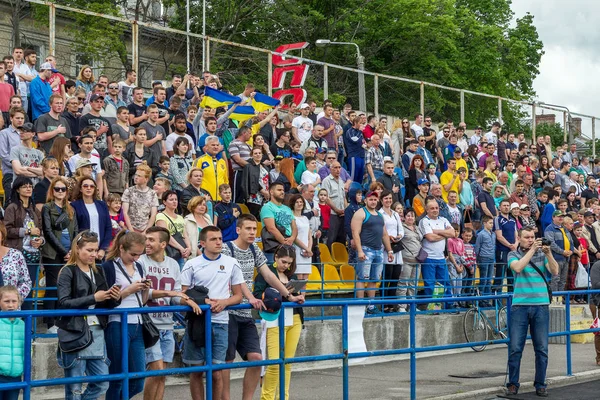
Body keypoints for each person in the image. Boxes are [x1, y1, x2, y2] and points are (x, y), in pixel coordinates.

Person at [220, 214, 303, 400]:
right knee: (227, 361)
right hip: (228, 311)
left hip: (245, 312)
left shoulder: (255, 250)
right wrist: (249, 297)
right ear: (238, 229)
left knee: (257, 359)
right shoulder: (226, 249)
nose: (252, 232)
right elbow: (235, 279)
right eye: (248, 229)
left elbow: (269, 275)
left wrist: (289, 295)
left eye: (254, 229)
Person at [56, 230, 121, 400]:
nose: (94, 254)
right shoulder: (67, 271)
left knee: (102, 382)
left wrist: (114, 297)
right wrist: (94, 297)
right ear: (77, 249)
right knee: (74, 388)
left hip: (97, 331)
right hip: (75, 332)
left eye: (95, 250)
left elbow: (106, 302)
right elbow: (63, 302)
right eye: (89, 250)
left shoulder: (98, 270)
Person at [181, 226, 244, 400]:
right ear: (202, 243)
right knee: (196, 371)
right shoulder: (191, 264)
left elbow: (238, 296)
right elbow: (182, 295)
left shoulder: (232, 263)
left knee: (217, 373)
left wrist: (224, 302)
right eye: (213, 239)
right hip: (197, 322)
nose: (218, 242)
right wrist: (203, 302)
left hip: (221, 323)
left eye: (220, 238)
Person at [140, 226, 200, 400]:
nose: (147, 243)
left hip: (167, 324)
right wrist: (169, 293)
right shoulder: (141, 262)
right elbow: (141, 294)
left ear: (163, 244)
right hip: (149, 324)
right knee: (156, 370)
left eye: (151, 239)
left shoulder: (173, 264)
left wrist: (187, 300)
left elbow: (175, 295)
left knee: (162, 374)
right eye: (146, 239)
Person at [505, 228, 559, 397]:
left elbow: (555, 271)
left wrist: (548, 253)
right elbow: (518, 268)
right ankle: (513, 384)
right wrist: (533, 250)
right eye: (526, 237)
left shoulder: (542, 254)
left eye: (532, 237)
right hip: (520, 306)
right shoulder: (512, 254)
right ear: (519, 239)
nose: (530, 240)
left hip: (540, 305)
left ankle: (541, 384)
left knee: (542, 348)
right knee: (515, 348)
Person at [102, 230, 151, 400]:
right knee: (116, 378)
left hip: (137, 322)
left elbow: (143, 300)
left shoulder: (138, 266)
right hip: (116, 322)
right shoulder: (108, 266)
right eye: (133, 254)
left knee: (138, 379)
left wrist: (145, 289)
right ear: (121, 248)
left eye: (139, 254)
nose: (136, 258)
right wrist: (129, 290)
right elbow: (106, 300)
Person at [41, 176, 78, 332]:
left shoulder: (70, 208)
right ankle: (50, 322)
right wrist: (65, 252)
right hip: (52, 253)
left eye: (63, 189)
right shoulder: (47, 207)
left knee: (66, 287)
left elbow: (75, 230)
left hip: (69, 252)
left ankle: (62, 319)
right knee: (53, 287)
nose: (61, 191)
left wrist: (72, 251)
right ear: (52, 191)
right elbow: (48, 232)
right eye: (57, 189)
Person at [351, 191, 394, 314]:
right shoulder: (360, 213)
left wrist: (389, 250)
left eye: (375, 199)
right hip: (365, 249)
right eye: (371, 199)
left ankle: (370, 305)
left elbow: (384, 234)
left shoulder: (380, 215)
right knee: (361, 278)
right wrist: (359, 250)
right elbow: (355, 233)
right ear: (365, 201)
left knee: (374, 279)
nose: (373, 201)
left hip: (378, 250)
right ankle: (359, 306)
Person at [4, 177, 43, 308]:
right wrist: (27, 231)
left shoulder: (34, 209)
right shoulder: (12, 208)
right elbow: (6, 230)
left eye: (30, 186)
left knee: (29, 290)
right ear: (17, 189)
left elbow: (41, 231)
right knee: (14, 290)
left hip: (33, 254)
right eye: (24, 186)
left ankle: (27, 325)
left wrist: (40, 241)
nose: (28, 188)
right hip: (17, 253)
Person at [418, 197, 456, 309]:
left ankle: (449, 305)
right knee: (429, 285)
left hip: (441, 258)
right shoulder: (424, 221)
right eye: (432, 208)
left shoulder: (443, 220)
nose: (435, 210)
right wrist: (445, 234)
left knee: (446, 283)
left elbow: (453, 233)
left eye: (436, 208)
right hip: (428, 258)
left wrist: (437, 231)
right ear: (427, 209)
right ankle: (431, 307)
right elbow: (430, 237)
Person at [71, 177, 112, 260]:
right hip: (83, 251)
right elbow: (74, 229)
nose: (89, 188)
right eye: (85, 186)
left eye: (92, 186)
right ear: (80, 189)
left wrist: (103, 249)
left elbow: (108, 227)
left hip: (100, 252)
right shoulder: (74, 206)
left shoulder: (102, 205)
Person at [260, 182, 297, 263]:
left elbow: (294, 226)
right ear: (271, 192)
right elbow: (271, 228)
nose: (282, 192)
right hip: (274, 247)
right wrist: (284, 242)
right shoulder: (267, 207)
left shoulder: (287, 209)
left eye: (283, 190)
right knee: (273, 274)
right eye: (279, 190)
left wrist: (292, 238)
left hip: (288, 245)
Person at [380, 190, 404, 313]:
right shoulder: (380, 214)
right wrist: (388, 237)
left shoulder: (395, 214)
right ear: (381, 200)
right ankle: (384, 303)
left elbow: (401, 229)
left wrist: (399, 236)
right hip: (385, 248)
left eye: (390, 198)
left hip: (396, 248)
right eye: (386, 198)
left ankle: (391, 303)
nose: (388, 201)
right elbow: (380, 230)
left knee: (395, 278)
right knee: (386, 277)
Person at [155, 190, 191, 268]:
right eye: (171, 200)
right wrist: (181, 248)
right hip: (167, 253)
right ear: (164, 202)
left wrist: (188, 248)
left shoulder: (180, 217)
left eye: (176, 199)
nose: (174, 202)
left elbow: (185, 235)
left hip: (180, 253)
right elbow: (166, 235)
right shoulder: (161, 216)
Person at [0, 285, 25, 400]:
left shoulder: (23, 324)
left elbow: (26, 349)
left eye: (14, 301)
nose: (10, 305)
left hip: (15, 375)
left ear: (19, 302)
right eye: (6, 301)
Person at [544, 210, 572, 304]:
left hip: (566, 258)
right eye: (559, 216)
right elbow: (551, 244)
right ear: (553, 217)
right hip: (556, 258)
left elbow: (570, 241)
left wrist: (570, 251)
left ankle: (560, 298)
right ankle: (554, 298)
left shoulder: (565, 229)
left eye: (562, 216)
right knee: (556, 279)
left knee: (563, 280)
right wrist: (562, 251)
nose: (561, 218)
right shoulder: (549, 229)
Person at [122, 163, 159, 233]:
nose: (135, 177)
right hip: (130, 230)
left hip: (145, 230)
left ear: (146, 179)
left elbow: (153, 215)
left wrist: (145, 232)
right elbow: (125, 212)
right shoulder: (128, 191)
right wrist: (131, 230)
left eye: (139, 176)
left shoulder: (152, 193)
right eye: (135, 175)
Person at [0, 222, 31, 301]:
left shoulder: (16, 255)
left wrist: (13, 299)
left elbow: (26, 282)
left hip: (11, 308)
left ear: (2, 235)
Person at [494, 199, 519, 293]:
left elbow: (516, 234)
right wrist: (510, 245)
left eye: (508, 205)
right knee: (500, 275)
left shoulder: (513, 220)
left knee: (511, 276)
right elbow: (499, 236)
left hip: (512, 250)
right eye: (504, 205)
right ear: (500, 207)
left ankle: (511, 298)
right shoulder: (498, 219)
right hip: (502, 250)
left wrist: (516, 244)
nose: (506, 207)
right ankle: (497, 300)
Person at [322, 161, 347, 247]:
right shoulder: (326, 181)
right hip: (332, 214)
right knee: (331, 238)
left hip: (342, 214)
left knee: (342, 239)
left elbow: (344, 198)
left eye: (339, 167)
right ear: (330, 169)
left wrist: (345, 210)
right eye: (335, 168)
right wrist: (336, 210)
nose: (338, 170)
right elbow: (326, 198)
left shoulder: (341, 181)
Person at [287, 194, 312, 280]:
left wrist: (309, 249)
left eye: (301, 202)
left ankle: (303, 294)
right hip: (297, 250)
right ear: (293, 204)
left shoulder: (305, 218)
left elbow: (309, 236)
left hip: (307, 252)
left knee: (305, 278)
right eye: (297, 202)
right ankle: (298, 294)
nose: (299, 204)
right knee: (298, 277)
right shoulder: (292, 218)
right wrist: (306, 249)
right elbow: (294, 237)